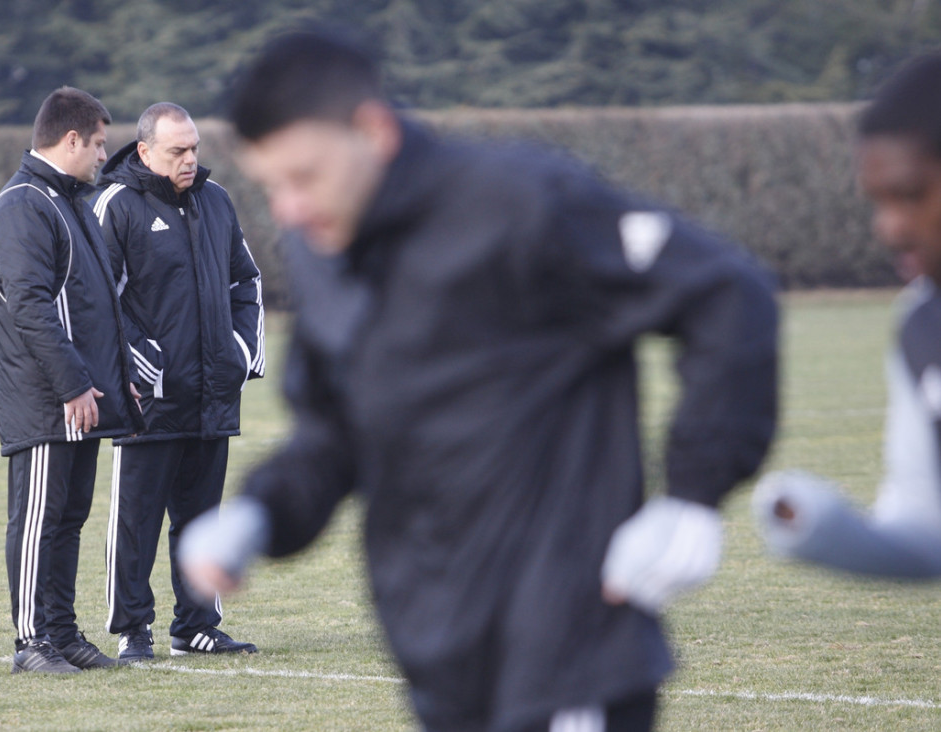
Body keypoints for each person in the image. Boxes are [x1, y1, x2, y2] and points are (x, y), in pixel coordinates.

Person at [179, 30, 778, 732]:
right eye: (271, 184)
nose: (288, 208)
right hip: (438, 657)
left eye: (304, 176)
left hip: (571, 652)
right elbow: (335, 433)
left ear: (371, 131)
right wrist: (259, 515)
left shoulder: (519, 201)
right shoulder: (321, 257)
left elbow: (724, 292)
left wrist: (694, 493)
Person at [752, 52, 941, 578]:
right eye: (877, 202)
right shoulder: (923, 323)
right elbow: (929, 533)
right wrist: (823, 527)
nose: (891, 228)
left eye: (911, 194)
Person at [91, 102, 264, 661]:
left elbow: (247, 282)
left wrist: (239, 355)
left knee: (202, 522)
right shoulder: (116, 205)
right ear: (144, 151)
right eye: (177, 151)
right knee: (136, 522)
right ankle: (132, 630)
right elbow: (98, 300)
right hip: (149, 403)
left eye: (194, 149)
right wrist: (146, 368)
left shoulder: (216, 201)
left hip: (213, 396)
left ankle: (197, 625)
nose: (190, 160)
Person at [0, 86, 144, 674]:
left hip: (82, 398)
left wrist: (114, 378)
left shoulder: (69, 201)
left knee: (69, 519)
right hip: (48, 401)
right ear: (71, 139)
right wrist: (74, 385)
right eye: (99, 144)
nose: (105, 155)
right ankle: (31, 643)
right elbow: (30, 308)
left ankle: (63, 633)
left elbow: (95, 305)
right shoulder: (25, 205)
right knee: (37, 520)